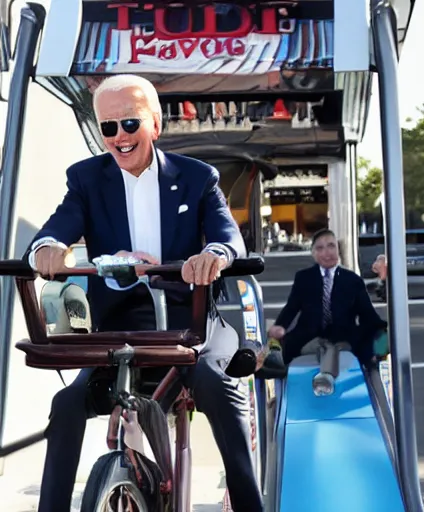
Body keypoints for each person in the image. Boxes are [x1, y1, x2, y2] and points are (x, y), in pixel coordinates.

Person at [28, 74, 262, 512]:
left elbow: (228, 236)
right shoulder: (85, 178)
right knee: (66, 405)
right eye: (108, 127)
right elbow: (55, 231)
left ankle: (251, 505)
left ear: (156, 123)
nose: (119, 137)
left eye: (130, 124)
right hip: (120, 330)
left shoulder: (197, 178)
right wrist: (47, 249)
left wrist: (212, 255)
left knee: (218, 389)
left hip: (189, 323)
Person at [268, 228, 387, 366]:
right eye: (320, 248)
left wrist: (383, 330)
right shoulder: (304, 278)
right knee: (277, 353)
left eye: (331, 246)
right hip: (307, 335)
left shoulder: (353, 280)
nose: (327, 253)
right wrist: (280, 326)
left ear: (338, 249)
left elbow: (368, 314)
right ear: (313, 253)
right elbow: (291, 307)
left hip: (344, 335)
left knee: (375, 343)